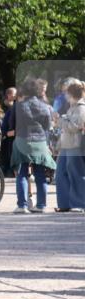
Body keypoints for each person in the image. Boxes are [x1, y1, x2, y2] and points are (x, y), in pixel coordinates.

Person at [10, 78, 56, 214]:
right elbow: (48, 126)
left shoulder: (18, 106)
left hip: (22, 140)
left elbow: (12, 124)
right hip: (40, 141)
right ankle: (41, 205)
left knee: (22, 173)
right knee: (40, 174)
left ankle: (22, 205)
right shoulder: (45, 106)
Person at [54, 80, 85, 212]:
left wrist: (60, 120)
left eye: (66, 93)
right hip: (66, 145)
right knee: (60, 173)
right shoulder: (72, 107)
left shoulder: (81, 107)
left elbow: (74, 126)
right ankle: (64, 203)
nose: (65, 95)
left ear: (71, 93)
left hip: (75, 145)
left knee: (76, 174)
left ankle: (78, 204)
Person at [0, 86, 18, 175]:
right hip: (8, 137)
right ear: (9, 95)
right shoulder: (6, 107)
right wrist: (6, 133)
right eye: (14, 95)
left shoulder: (14, 106)